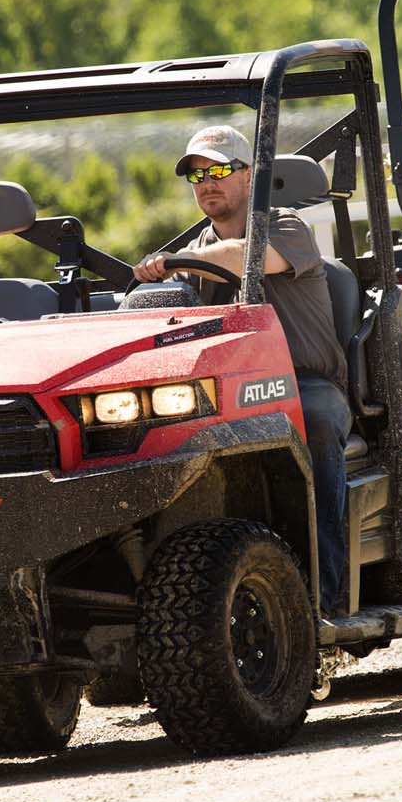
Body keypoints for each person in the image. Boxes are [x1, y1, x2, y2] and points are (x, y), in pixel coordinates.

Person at [133, 125, 352, 617]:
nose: (207, 182)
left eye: (220, 170)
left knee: (314, 421)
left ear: (251, 176)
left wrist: (172, 264)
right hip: (235, 392)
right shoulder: (190, 255)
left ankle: (325, 597)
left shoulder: (288, 229)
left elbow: (244, 259)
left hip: (305, 384)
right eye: (197, 175)